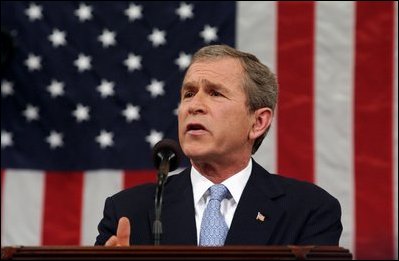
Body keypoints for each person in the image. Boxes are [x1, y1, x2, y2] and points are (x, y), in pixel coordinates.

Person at [95, 44, 342, 246]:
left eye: (215, 93)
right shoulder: (127, 212)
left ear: (258, 122)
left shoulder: (309, 210)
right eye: (189, 94)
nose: (194, 106)